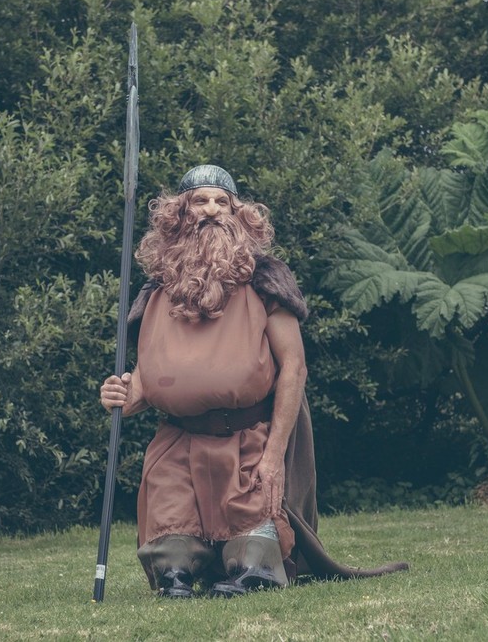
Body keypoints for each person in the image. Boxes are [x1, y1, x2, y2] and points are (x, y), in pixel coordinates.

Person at [100, 164, 408, 598]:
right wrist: (120, 394)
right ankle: (178, 573)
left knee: (252, 540)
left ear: (238, 213)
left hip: (246, 435)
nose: (211, 210)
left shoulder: (265, 280)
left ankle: (252, 569)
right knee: (170, 531)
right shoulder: (155, 291)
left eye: (221, 202)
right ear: (179, 214)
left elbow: (294, 368)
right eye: (200, 201)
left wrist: (274, 454)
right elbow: (147, 382)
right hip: (178, 440)